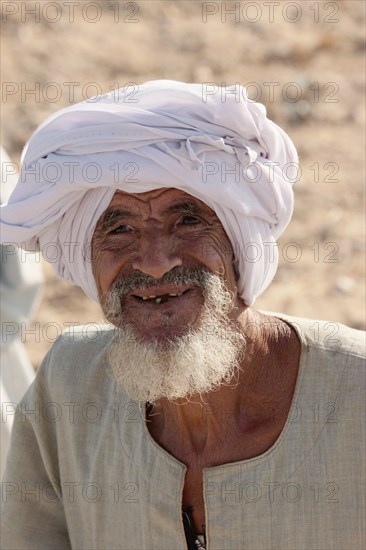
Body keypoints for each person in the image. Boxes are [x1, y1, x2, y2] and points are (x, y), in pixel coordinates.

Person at [0, 81, 364, 550]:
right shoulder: (69, 383)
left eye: (188, 221)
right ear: (86, 257)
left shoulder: (357, 393)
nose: (155, 261)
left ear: (239, 245)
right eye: (120, 228)